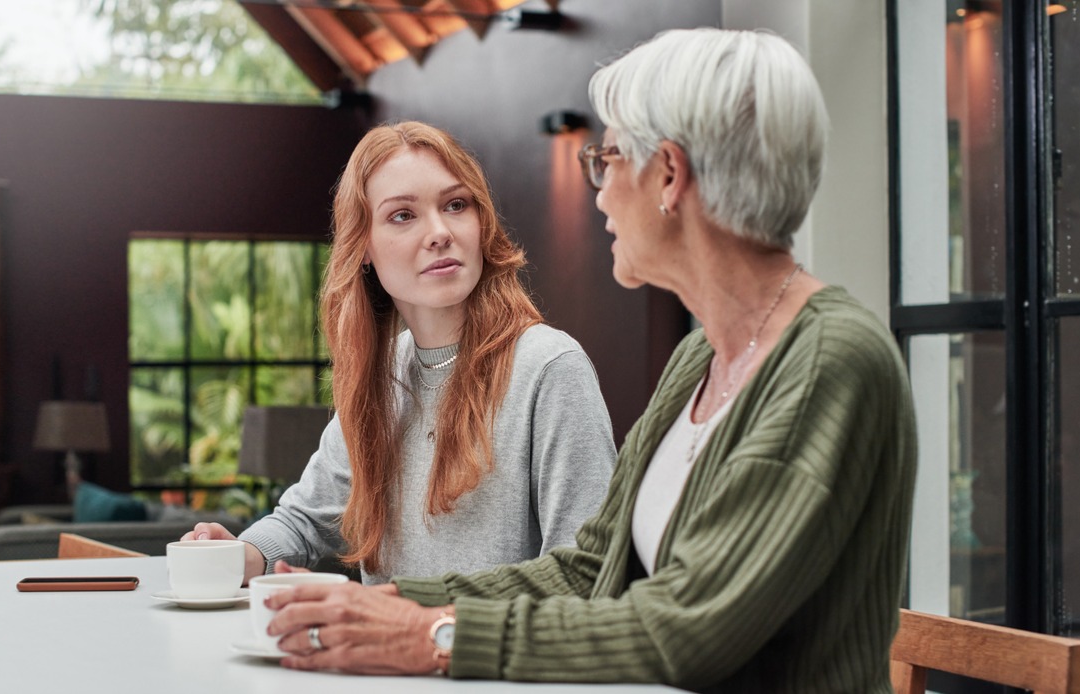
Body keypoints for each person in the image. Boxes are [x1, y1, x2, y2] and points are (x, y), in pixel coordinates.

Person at [262, 28, 918, 694]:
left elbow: (686, 627)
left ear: (668, 175)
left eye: (606, 160)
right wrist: (397, 601)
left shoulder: (829, 362)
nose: (598, 191)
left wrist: (428, 636)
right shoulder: (700, 358)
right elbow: (590, 568)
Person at [184, 121, 616, 587]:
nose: (439, 232)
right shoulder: (384, 372)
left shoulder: (549, 366)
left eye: (456, 205)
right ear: (363, 246)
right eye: (402, 215)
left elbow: (584, 576)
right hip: (377, 660)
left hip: (483, 657)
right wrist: (239, 552)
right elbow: (304, 519)